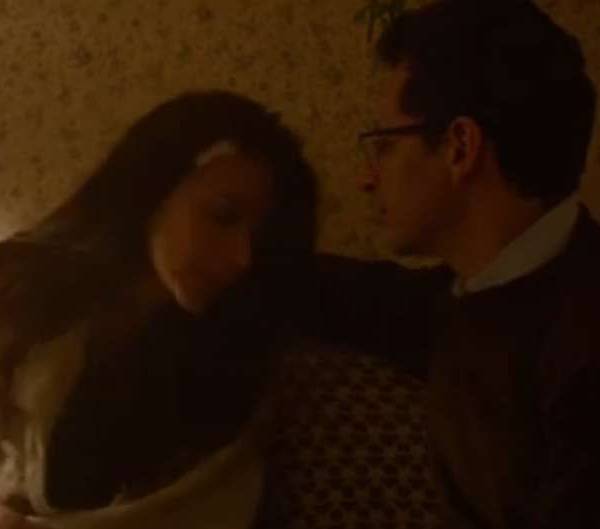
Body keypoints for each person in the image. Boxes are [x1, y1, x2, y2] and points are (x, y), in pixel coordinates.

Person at [290, 1, 599, 527]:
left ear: (460, 147)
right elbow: (338, 292)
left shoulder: (582, 353)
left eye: (385, 146)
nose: (367, 178)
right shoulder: (475, 295)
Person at [0, 90, 316, 528]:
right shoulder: (24, 282)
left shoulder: (229, 352)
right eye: (222, 216)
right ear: (154, 188)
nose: (242, 257)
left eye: (259, 240)